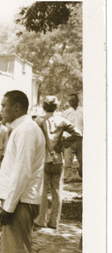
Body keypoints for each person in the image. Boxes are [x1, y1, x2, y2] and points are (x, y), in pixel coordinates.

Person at [0, 90, 45, 253]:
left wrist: (10, 205)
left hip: (21, 201)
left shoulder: (26, 130)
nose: (1, 109)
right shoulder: (22, 128)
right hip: (18, 199)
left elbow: (22, 171)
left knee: (19, 252)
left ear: (16, 107)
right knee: (11, 252)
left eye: (4, 105)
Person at [35, 96, 82, 229]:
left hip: (43, 158)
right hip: (58, 158)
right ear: (56, 107)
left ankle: (41, 220)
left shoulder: (39, 120)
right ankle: (54, 222)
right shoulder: (62, 120)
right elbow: (78, 134)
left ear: (44, 106)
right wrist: (63, 143)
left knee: (43, 190)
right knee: (57, 191)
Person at [62, 93, 83, 177]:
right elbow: (62, 127)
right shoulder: (66, 113)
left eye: (73, 100)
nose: (71, 102)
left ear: (77, 100)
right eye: (69, 101)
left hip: (81, 139)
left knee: (82, 160)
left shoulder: (83, 111)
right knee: (67, 161)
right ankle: (67, 179)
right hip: (69, 140)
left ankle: (83, 178)